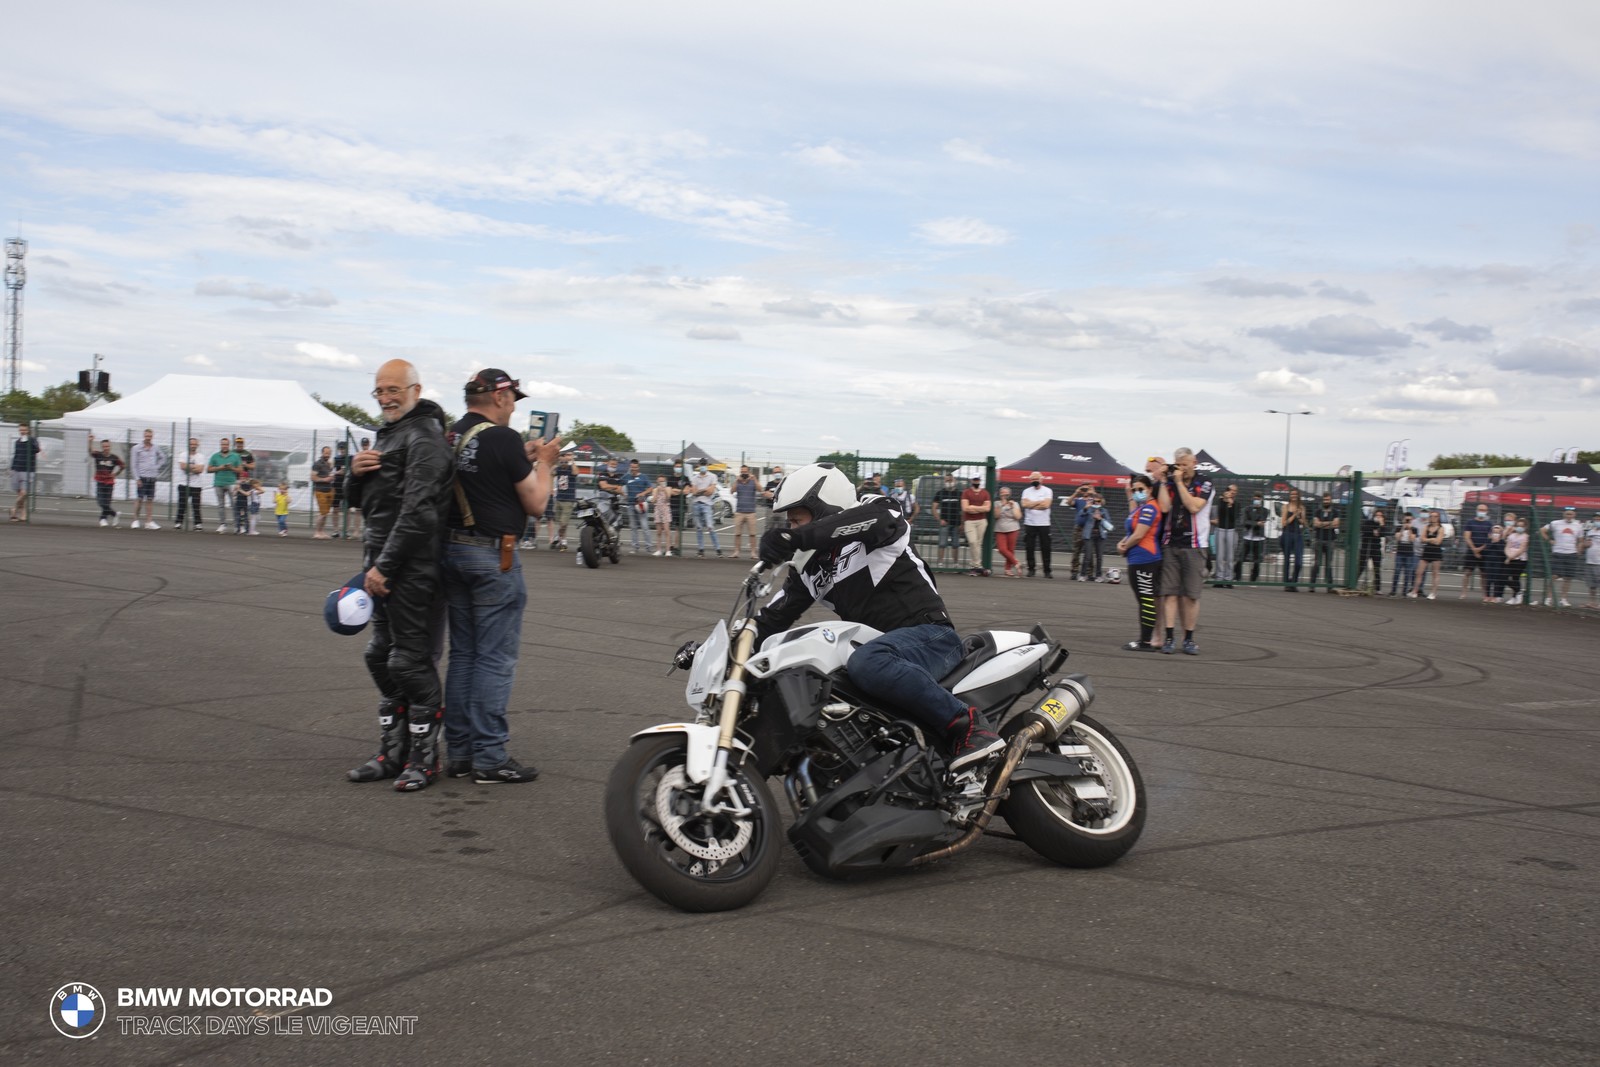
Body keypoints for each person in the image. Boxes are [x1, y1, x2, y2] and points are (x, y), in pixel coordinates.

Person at [756, 464, 1005, 772]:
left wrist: (797, 538)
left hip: (930, 636)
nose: (791, 528)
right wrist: (718, 649)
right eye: (789, 524)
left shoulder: (877, 512)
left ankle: (970, 727)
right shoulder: (808, 569)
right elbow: (770, 620)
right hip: (884, 650)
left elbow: (873, 522)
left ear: (823, 507)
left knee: (868, 661)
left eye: (796, 520)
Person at [439, 369, 562, 785]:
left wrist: (523, 455)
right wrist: (545, 463)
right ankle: (489, 756)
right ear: (500, 397)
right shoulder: (501, 438)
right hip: (493, 556)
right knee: (495, 658)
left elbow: (483, 474)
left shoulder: (452, 436)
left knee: (464, 655)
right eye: (512, 399)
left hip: (452, 550)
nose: (513, 407)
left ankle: (458, 753)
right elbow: (537, 504)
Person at [344, 359, 454, 792]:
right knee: (379, 656)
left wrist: (384, 566)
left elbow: (419, 512)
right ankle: (392, 752)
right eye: (379, 391)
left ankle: (424, 759)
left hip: (412, 569)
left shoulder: (425, 438)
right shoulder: (388, 435)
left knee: (408, 661)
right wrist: (353, 474)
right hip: (379, 562)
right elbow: (364, 503)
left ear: (415, 390)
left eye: (394, 389)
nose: (386, 398)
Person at [1154, 448, 1212, 655]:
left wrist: (1179, 483)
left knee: (1190, 596)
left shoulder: (1204, 482)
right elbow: (1165, 507)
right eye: (1179, 465)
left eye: (1186, 464)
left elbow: (1194, 506)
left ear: (1194, 462)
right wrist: (1163, 481)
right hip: (1171, 543)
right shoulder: (1170, 482)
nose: (1183, 469)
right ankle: (1169, 637)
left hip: (1195, 545)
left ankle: (1189, 638)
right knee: (1169, 593)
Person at [1116, 473, 1162, 651]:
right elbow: (1132, 533)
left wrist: (1124, 547)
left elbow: (1139, 534)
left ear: (1150, 489)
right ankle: (1146, 639)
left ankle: (1146, 641)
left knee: (1146, 600)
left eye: (1141, 489)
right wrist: (1123, 542)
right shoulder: (1140, 508)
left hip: (1146, 559)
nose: (1137, 492)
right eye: (1134, 490)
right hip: (1138, 558)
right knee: (1144, 600)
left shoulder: (1149, 508)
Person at [1541, 506, 1583, 607]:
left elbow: (1581, 540)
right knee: (1553, 576)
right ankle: (1548, 598)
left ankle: (1563, 599)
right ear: (1563, 514)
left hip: (1571, 554)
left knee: (1568, 578)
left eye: (1571, 514)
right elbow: (1542, 530)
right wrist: (1550, 540)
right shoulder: (1555, 523)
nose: (1569, 516)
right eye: (1567, 513)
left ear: (1574, 515)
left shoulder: (1578, 525)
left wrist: (1579, 550)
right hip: (1558, 553)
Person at [128, 428, 166, 530]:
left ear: (152, 437)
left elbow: (163, 457)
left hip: (152, 477)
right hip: (142, 477)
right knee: (139, 499)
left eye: (150, 436)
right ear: (143, 436)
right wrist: (137, 478)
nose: (148, 438)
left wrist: (156, 467)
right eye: (146, 436)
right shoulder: (136, 448)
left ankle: (149, 521)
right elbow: (133, 464)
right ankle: (135, 520)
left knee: (150, 499)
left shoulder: (155, 447)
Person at [1020, 471, 1054, 578]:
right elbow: (1024, 504)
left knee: (1046, 547)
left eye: (1036, 479)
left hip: (1044, 523)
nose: (1034, 481)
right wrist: (1039, 502)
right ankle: (1031, 569)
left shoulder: (1048, 491)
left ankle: (1047, 571)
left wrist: (1032, 504)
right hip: (1030, 523)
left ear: (1041, 479)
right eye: (1032, 479)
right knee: (1029, 547)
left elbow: (1046, 505)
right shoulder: (1026, 491)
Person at [687, 461, 722, 557]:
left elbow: (710, 492)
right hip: (696, 504)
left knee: (710, 527)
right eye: (701, 465)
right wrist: (704, 490)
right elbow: (694, 492)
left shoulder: (712, 476)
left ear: (707, 465)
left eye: (704, 464)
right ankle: (701, 549)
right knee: (699, 528)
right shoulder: (695, 477)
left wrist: (700, 491)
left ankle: (718, 549)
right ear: (699, 466)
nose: (703, 466)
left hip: (707, 504)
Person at [207, 437, 242, 534]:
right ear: (220, 445)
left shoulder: (235, 456)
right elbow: (208, 469)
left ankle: (236, 525)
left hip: (231, 483)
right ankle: (223, 524)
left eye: (226, 444)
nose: (224, 446)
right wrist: (219, 467)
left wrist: (232, 468)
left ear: (229, 445)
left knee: (234, 505)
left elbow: (240, 470)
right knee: (220, 505)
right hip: (218, 483)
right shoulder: (215, 456)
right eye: (223, 444)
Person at [88, 436, 125, 527]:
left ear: (110, 446)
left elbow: (123, 465)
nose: (106, 448)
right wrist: (90, 442)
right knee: (101, 502)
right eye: (104, 447)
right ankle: (114, 514)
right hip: (100, 481)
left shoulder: (114, 457)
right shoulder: (98, 455)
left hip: (109, 483)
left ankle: (103, 519)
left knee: (107, 502)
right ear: (102, 447)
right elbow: (90, 451)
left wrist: (116, 474)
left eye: (107, 446)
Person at [1459, 502, 1493, 599]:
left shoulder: (1489, 524)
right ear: (1476, 511)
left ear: (1487, 512)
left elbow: (1490, 539)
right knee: (1467, 572)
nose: (1481, 512)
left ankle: (1484, 594)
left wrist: (1481, 549)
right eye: (1480, 510)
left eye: (1483, 510)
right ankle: (1463, 593)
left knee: (1484, 574)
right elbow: (1467, 537)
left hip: (1484, 552)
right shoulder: (1470, 522)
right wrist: (1474, 549)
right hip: (1471, 551)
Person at [1309, 491, 1340, 593]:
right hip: (1319, 539)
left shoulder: (1335, 512)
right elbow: (1315, 524)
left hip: (1330, 540)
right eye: (1325, 499)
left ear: (1331, 500)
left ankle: (1329, 586)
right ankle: (1312, 585)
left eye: (1328, 499)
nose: (1326, 501)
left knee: (1328, 564)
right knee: (1317, 563)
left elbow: (1336, 524)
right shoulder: (1318, 511)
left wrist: (1322, 524)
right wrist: (1329, 524)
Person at [10, 423, 41, 523]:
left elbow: (37, 450)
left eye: (24, 430)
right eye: (21, 430)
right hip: (16, 469)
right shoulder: (17, 442)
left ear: (28, 430)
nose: (22, 432)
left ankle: (13, 509)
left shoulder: (32, 440)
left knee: (24, 493)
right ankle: (23, 514)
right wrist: (12, 469)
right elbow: (16, 455)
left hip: (28, 470)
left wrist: (31, 440)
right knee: (20, 493)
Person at [960, 475, 991, 576]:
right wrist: (980, 508)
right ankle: (978, 566)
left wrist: (973, 507)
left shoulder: (985, 493)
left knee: (978, 544)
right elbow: (965, 508)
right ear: (971, 480)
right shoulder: (966, 492)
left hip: (982, 520)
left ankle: (974, 567)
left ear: (980, 480)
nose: (976, 481)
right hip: (969, 521)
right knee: (973, 542)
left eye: (977, 479)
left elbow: (987, 508)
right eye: (974, 479)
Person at [624, 459, 656, 555]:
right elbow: (619, 485)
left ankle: (649, 547)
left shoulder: (644, 477)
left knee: (644, 526)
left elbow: (650, 488)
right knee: (633, 527)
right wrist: (622, 493)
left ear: (638, 467)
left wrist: (643, 493)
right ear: (630, 467)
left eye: (635, 467)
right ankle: (635, 547)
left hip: (641, 505)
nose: (633, 469)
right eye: (632, 467)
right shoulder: (626, 477)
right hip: (630, 504)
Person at [174, 436, 206, 531]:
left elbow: (200, 469)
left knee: (196, 505)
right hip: (183, 484)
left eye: (194, 444)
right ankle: (178, 522)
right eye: (191, 444)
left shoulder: (201, 456)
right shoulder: (183, 455)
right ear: (188, 445)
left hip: (196, 485)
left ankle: (198, 524)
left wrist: (190, 467)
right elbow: (182, 466)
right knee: (182, 504)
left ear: (197, 445)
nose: (193, 446)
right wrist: (194, 467)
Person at [931, 474, 964, 566]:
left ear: (955, 481)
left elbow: (963, 510)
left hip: (956, 523)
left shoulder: (960, 494)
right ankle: (940, 562)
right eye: (947, 480)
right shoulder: (940, 493)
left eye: (950, 480)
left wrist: (962, 523)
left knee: (955, 544)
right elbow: (934, 508)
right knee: (942, 543)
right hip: (944, 523)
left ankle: (955, 563)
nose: (949, 482)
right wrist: (939, 519)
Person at [730, 464, 760, 559]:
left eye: (745, 472)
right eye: (742, 472)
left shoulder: (752, 481)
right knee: (737, 533)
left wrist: (754, 479)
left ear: (748, 472)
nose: (744, 474)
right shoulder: (738, 481)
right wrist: (737, 480)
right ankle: (736, 552)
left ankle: (753, 553)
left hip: (751, 512)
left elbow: (760, 489)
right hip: (739, 511)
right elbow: (732, 491)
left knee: (752, 534)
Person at [1212, 484, 1239, 588]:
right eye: (1230, 490)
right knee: (1219, 555)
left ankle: (1228, 578)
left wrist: (1231, 504)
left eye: (1234, 491)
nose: (1232, 492)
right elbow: (1221, 513)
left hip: (1231, 530)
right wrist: (1225, 501)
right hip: (1221, 529)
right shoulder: (1221, 501)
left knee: (1230, 556)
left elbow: (1233, 517)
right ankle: (1219, 578)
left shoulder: (1236, 504)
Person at [992, 487, 1022, 577]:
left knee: (1010, 550)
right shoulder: (996, 503)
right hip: (1000, 529)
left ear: (1009, 494)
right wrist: (1002, 505)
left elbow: (1018, 517)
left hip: (1013, 528)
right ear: (1000, 494)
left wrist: (1012, 507)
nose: (1004, 495)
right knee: (1002, 549)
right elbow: (996, 516)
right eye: (1002, 493)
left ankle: (1007, 569)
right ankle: (1016, 563)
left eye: (1006, 494)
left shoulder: (1015, 503)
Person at [1239, 491, 1269, 582]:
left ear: (1261, 500)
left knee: (1257, 560)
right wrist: (1256, 523)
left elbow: (1262, 521)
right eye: (1255, 499)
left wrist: (1252, 521)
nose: (1256, 501)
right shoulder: (1247, 509)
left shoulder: (1265, 510)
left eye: (1258, 499)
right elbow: (1244, 522)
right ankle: (1237, 575)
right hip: (1247, 537)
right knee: (1241, 558)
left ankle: (1254, 577)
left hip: (1259, 538)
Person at [1280, 488, 1306, 592]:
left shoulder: (1301, 507)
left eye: (1296, 494)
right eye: (1292, 494)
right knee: (1287, 560)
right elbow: (1284, 523)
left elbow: (1304, 523)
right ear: (1290, 495)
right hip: (1287, 534)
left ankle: (1293, 581)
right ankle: (1287, 583)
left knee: (1298, 562)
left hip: (1298, 535)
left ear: (1298, 495)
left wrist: (1300, 518)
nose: (1294, 496)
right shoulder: (1286, 507)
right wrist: (1294, 515)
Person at [647, 474, 679, 556]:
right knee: (658, 531)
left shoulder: (668, 488)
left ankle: (668, 550)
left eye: (663, 481)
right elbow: (653, 501)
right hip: (657, 509)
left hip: (665, 509)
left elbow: (668, 498)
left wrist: (664, 489)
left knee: (667, 530)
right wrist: (657, 491)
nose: (661, 482)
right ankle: (658, 550)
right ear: (657, 481)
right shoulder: (655, 490)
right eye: (660, 481)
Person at [344, 437, 369, 541]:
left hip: (364, 485)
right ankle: (346, 530)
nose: (365, 446)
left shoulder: (370, 456)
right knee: (350, 509)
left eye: (366, 444)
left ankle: (357, 531)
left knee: (359, 510)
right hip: (354, 485)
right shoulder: (356, 457)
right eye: (363, 445)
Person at [1416, 511, 1445, 599]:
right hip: (1427, 550)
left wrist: (1428, 539)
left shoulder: (1441, 528)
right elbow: (1422, 539)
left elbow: (1438, 541)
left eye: (1435, 516)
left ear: (1438, 517)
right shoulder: (1426, 527)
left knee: (1435, 573)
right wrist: (1431, 539)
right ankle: (1415, 591)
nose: (1433, 518)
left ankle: (1433, 593)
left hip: (1436, 551)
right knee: (1419, 572)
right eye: (1431, 516)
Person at [1357, 507, 1385, 593]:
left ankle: (1378, 588)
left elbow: (1383, 533)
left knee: (1377, 568)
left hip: (1376, 548)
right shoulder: (1368, 522)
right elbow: (1364, 529)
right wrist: (1373, 531)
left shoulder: (1381, 524)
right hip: (1366, 547)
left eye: (1380, 516)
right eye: (1377, 515)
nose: (1378, 517)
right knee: (1361, 566)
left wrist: (1381, 525)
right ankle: (1353, 582)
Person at [1502, 513, 1528, 606]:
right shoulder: (1512, 536)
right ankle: (1519, 592)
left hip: (1520, 560)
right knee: (1504, 577)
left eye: (1522, 526)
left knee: (1515, 578)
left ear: (1525, 527)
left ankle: (1514, 596)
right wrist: (1509, 556)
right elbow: (1507, 547)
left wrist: (1511, 557)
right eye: (1518, 526)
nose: (1519, 527)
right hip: (1510, 558)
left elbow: (1522, 549)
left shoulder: (1525, 536)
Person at [1389, 515, 1417, 598]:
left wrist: (1410, 529)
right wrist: (1403, 528)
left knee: (1407, 573)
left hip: (1409, 552)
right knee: (1397, 571)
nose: (1407, 521)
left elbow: (1412, 539)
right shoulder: (1399, 528)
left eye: (1409, 520)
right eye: (1406, 519)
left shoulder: (1414, 529)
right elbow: (1397, 538)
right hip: (1400, 552)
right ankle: (1393, 590)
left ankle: (1404, 591)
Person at [311, 445, 335, 538]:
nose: (327, 455)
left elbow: (329, 475)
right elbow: (313, 477)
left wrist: (332, 477)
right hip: (320, 491)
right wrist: (325, 480)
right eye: (326, 453)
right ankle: (317, 532)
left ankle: (321, 531)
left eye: (329, 453)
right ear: (322, 453)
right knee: (322, 513)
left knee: (325, 513)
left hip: (329, 490)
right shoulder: (317, 464)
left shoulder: (329, 464)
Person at [1481, 524, 1507, 603]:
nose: (1495, 534)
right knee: (1488, 579)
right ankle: (1487, 595)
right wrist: (1493, 543)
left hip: (1498, 562)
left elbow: (1502, 552)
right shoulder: (1488, 541)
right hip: (1488, 562)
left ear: (1501, 534)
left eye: (1498, 532)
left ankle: (1495, 596)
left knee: (1496, 579)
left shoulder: (1502, 542)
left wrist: (1497, 543)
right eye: (1494, 532)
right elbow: (1485, 551)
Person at [330, 441, 350, 538]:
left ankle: (346, 531)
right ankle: (335, 530)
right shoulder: (336, 459)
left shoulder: (350, 458)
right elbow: (331, 470)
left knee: (347, 509)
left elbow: (347, 471)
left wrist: (339, 472)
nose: (342, 450)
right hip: (337, 485)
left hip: (346, 485)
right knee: (335, 508)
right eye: (341, 448)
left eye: (344, 448)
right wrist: (337, 472)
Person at [761, 464, 787, 533]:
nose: (777, 474)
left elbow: (785, 495)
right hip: (770, 510)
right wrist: (777, 495)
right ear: (773, 474)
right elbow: (765, 494)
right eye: (775, 472)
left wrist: (772, 495)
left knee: (782, 530)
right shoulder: (769, 484)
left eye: (779, 472)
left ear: (782, 473)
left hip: (781, 510)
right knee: (769, 529)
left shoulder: (785, 483)